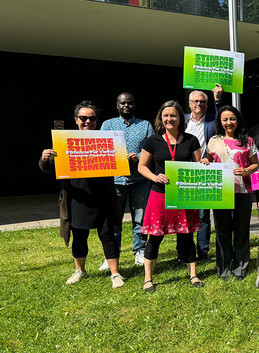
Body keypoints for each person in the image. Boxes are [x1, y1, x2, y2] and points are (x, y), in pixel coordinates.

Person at [39, 101, 124, 288]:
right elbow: (48, 167)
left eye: (92, 118)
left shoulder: (107, 140)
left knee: (108, 235)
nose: (88, 121)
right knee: (79, 235)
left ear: (96, 120)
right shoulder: (65, 141)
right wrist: (45, 159)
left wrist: (130, 160)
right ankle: (80, 271)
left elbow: (121, 165)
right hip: (77, 197)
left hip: (103, 197)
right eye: (83, 118)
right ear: (76, 119)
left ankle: (115, 274)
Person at [137, 100, 207, 292]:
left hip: (185, 195)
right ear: (161, 118)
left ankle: (193, 274)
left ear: (180, 118)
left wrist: (205, 162)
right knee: (156, 237)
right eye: (166, 115)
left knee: (187, 235)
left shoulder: (191, 140)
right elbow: (141, 166)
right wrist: (155, 177)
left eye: (173, 115)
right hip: (160, 195)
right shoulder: (153, 140)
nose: (170, 119)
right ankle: (148, 278)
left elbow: (199, 164)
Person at [99, 92, 155, 269]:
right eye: (123, 103)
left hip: (140, 180)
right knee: (114, 220)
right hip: (115, 181)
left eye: (129, 103)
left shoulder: (145, 125)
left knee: (140, 219)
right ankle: (112, 255)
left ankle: (139, 251)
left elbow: (153, 150)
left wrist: (138, 157)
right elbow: (100, 149)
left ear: (134, 105)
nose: (126, 106)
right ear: (117, 105)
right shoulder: (107, 125)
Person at [207, 105, 259, 279]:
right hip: (220, 190)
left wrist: (245, 171)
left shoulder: (248, 140)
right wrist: (204, 162)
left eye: (232, 119)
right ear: (220, 122)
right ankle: (224, 267)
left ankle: (241, 267)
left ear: (237, 120)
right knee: (222, 230)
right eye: (225, 119)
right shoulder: (213, 140)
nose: (229, 122)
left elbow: (255, 164)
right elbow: (207, 160)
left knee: (241, 229)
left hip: (243, 190)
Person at [181, 90, 217, 263]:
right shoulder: (181, 120)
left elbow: (224, 117)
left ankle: (203, 252)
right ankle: (183, 253)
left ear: (207, 104)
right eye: (195, 101)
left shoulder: (212, 121)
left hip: (204, 171)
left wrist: (218, 99)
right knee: (183, 214)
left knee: (203, 215)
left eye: (202, 102)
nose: (198, 104)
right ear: (189, 103)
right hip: (183, 171)